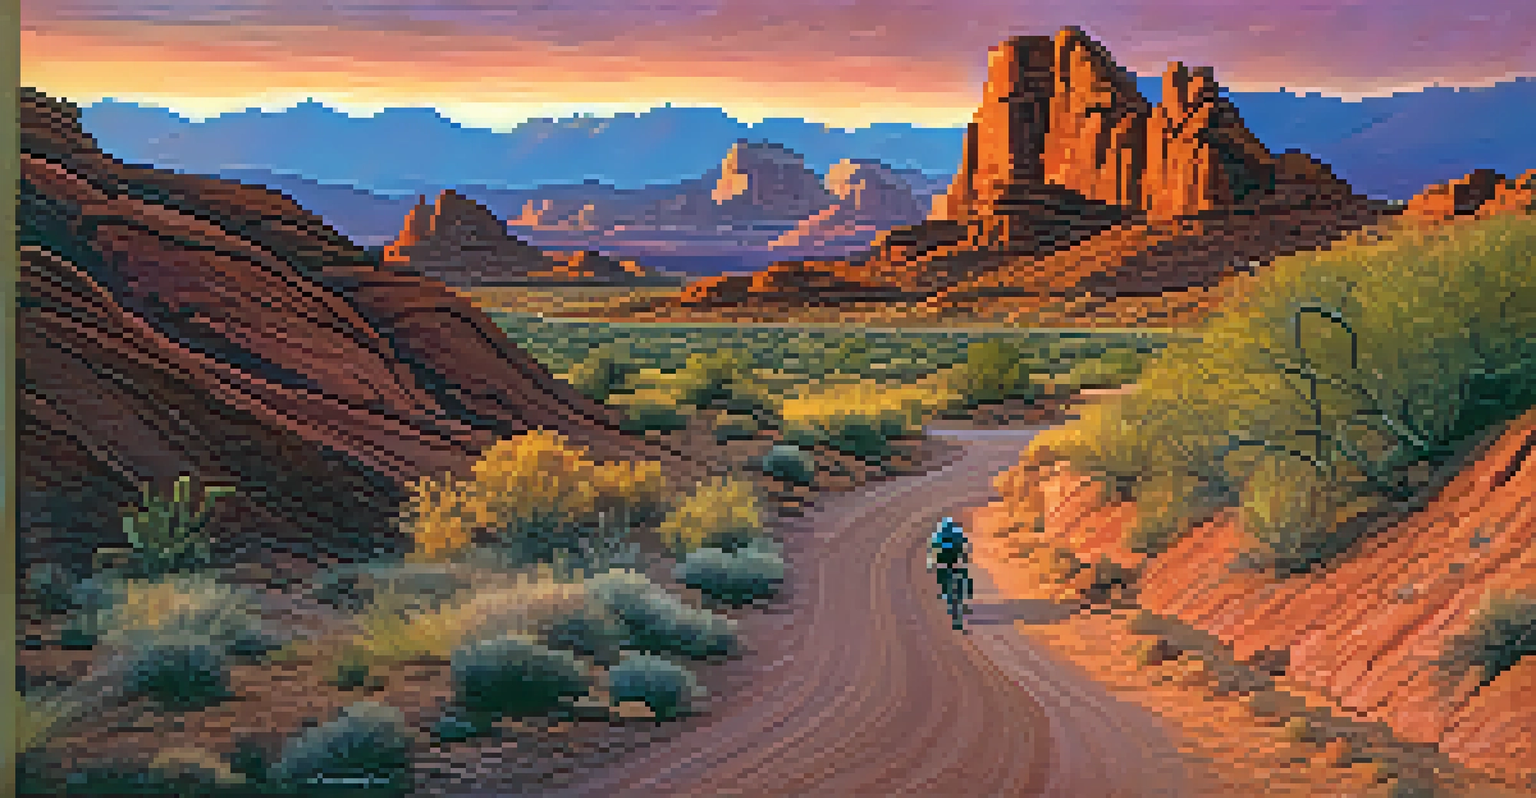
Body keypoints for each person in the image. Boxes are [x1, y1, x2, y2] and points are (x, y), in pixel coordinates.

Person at [926, 516, 971, 625]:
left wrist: (930, 564)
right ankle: (965, 594)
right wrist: (965, 559)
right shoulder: (957, 533)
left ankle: (947, 595)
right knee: (963, 578)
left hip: (943, 563)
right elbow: (966, 547)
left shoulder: (937, 535)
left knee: (944, 581)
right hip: (956, 562)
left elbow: (931, 551)